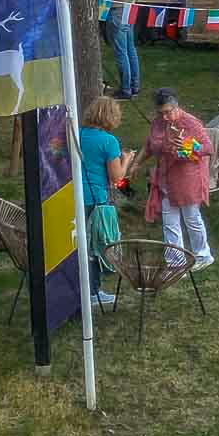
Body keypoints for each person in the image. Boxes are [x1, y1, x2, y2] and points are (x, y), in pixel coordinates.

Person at [142, 88, 214, 269]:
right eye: (161, 113)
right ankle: (176, 262)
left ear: (176, 107)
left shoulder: (190, 123)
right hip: (166, 179)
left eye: (168, 112)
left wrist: (189, 146)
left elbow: (207, 147)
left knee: (192, 218)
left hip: (187, 179)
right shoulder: (158, 123)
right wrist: (163, 145)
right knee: (170, 223)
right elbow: (152, 145)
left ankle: (203, 255)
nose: (164, 117)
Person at [78, 95, 137, 308]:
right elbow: (117, 179)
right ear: (111, 117)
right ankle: (93, 292)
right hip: (95, 199)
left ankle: (77, 286)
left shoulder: (77, 134)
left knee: (77, 244)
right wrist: (127, 159)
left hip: (73, 195)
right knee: (94, 247)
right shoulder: (108, 141)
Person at [99, 0, 139, 98]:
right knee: (131, 50)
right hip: (130, 11)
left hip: (118, 11)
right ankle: (135, 86)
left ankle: (125, 89)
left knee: (121, 52)